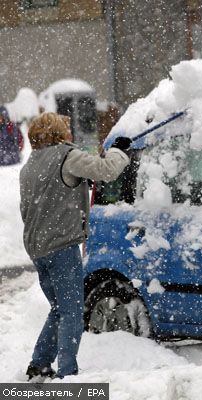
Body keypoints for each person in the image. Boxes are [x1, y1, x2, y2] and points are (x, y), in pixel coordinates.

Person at [19, 112, 132, 380]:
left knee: (59, 307)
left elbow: (33, 206)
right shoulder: (67, 157)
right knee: (71, 312)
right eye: (66, 129)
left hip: (38, 249)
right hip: (61, 247)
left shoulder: (29, 166)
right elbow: (106, 171)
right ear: (58, 134)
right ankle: (68, 376)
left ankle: (39, 364)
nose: (71, 134)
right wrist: (119, 151)